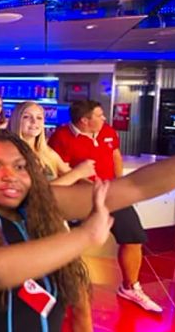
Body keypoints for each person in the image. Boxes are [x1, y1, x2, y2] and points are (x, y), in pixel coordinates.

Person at [0, 129, 175, 330]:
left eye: (20, 166)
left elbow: (135, 187)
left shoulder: (41, 203)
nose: (10, 175)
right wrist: (84, 236)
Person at [49, 100, 162, 312]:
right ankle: (64, 290)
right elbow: (61, 171)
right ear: (84, 121)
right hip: (80, 198)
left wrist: (121, 185)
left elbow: (115, 156)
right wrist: (91, 186)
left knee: (134, 238)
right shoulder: (60, 138)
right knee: (69, 245)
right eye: (99, 115)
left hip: (113, 194)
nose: (104, 119)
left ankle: (130, 287)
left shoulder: (108, 131)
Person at [8, 101, 97, 331]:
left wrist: (92, 185)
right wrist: (78, 172)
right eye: (28, 117)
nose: (34, 123)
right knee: (36, 309)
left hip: (58, 231)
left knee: (80, 300)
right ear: (17, 119)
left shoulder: (47, 153)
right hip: (26, 236)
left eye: (39, 118)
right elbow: (37, 196)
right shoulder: (10, 153)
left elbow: (72, 176)